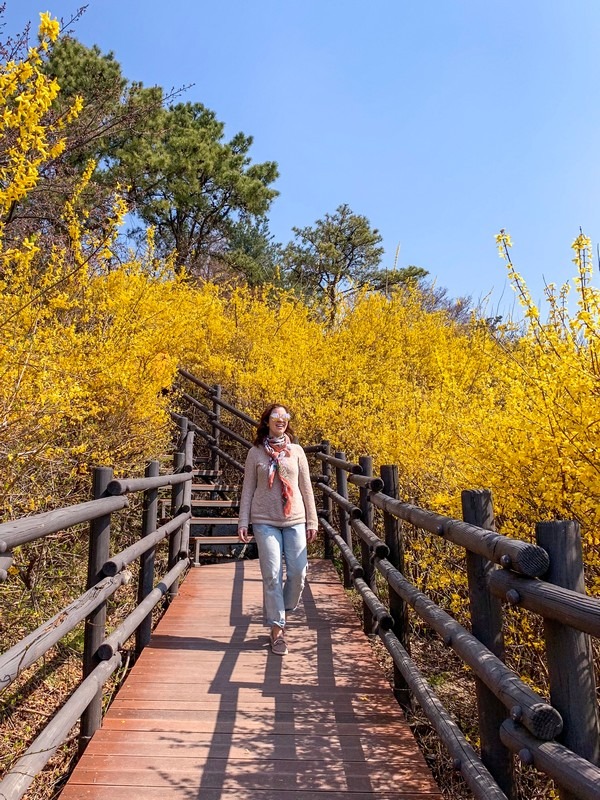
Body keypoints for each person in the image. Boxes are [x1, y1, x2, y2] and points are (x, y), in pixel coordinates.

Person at [238, 404, 318, 655]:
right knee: (272, 574)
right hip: (264, 520)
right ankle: (277, 630)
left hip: (294, 519)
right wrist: (243, 521)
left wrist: (312, 521)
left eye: (285, 417)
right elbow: (248, 488)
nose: (281, 420)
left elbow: (306, 488)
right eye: (276, 417)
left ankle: (282, 608)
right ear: (267, 421)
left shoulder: (296, 451)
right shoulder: (255, 452)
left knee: (298, 574)